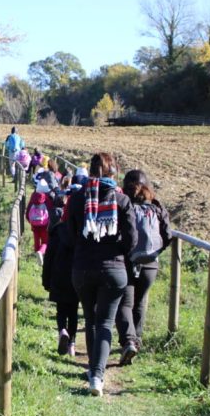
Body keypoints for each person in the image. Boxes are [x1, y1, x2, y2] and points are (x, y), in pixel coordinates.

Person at [66, 152, 140, 396]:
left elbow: (70, 234)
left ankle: (93, 372)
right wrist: (118, 254)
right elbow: (132, 240)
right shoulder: (121, 201)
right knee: (106, 322)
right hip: (113, 269)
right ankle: (97, 376)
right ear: (112, 172)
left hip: (83, 268)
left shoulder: (77, 199)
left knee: (90, 319)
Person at [116, 169, 173, 365]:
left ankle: (128, 341)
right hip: (150, 263)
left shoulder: (124, 204)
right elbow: (168, 235)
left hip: (126, 260)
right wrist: (154, 252)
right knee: (140, 302)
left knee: (125, 303)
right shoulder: (157, 207)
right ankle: (136, 342)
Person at [42, 189, 78, 357]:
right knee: (73, 311)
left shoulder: (56, 231)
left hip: (58, 275)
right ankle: (72, 343)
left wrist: (46, 279)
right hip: (75, 277)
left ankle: (62, 331)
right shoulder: (80, 232)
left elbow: (48, 257)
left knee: (61, 310)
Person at [26, 180, 52, 264]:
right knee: (45, 242)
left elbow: (27, 212)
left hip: (34, 224)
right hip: (44, 225)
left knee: (36, 241)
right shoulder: (47, 199)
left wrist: (31, 221)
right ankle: (41, 252)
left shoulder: (33, 198)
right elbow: (51, 211)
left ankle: (37, 255)